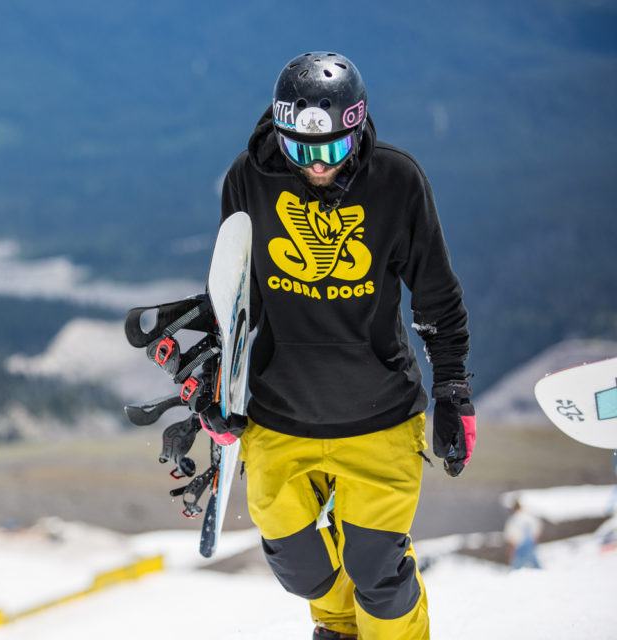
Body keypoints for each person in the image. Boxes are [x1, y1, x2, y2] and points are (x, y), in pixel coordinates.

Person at [202, 52, 475, 640]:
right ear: (280, 131)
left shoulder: (397, 183)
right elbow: (232, 299)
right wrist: (215, 383)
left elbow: (436, 297)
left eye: (331, 150)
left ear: (358, 125)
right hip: (279, 416)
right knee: (301, 572)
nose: (317, 165)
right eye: (302, 150)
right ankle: (336, 625)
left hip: (378, 415)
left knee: (377, 573)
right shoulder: (246, 180)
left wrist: (452, 389)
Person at [504, 498, 543, 569]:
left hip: (520, 547)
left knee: (516, 568)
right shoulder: (530, 517)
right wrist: (534, 541)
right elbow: (538, 530)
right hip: (530, 545)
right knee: (536, 566)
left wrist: (510, 552)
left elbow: (510, 538)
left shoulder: (513, 520)